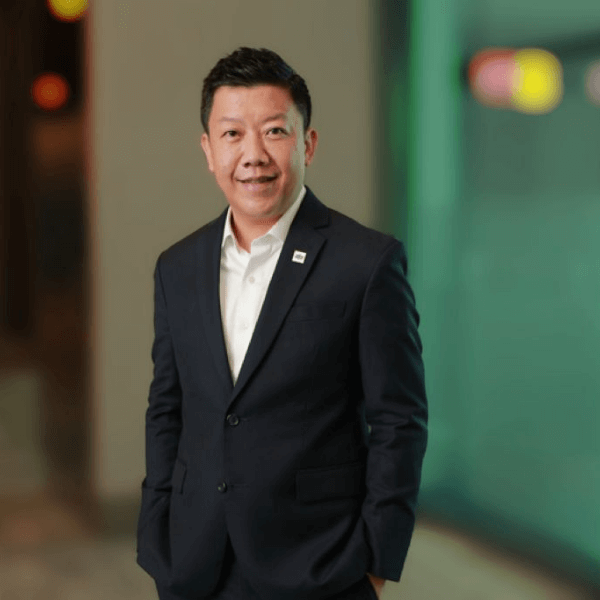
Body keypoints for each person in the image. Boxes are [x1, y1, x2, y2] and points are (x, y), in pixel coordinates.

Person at [136, 47, 428, 600]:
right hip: (196, 563)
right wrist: (157, 532)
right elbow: (167, 407)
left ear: (307, 143)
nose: (253, 155)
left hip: (319, 564)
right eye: (231, 134)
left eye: (274, 131)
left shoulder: (365, 263)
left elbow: (400, 419)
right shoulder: (177, 267)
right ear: (207, 150)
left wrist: (377, 562)